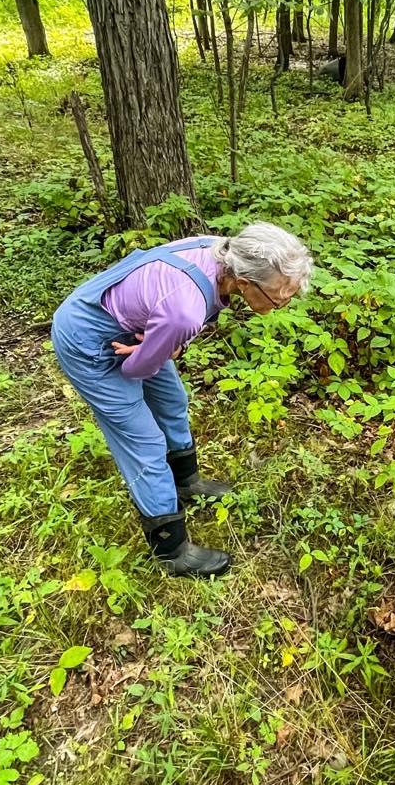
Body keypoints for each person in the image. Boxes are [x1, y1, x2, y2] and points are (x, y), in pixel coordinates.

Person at [52, 223, 312, 577]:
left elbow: (169, 332)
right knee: (143, 440)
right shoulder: (183, 309)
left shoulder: (221, 251)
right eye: (279, 297)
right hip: (88, 342)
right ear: (246, 283)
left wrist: (165, 344)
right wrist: (154, 348)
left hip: (135, 329)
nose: (283, 303)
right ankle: (171, 549)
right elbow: (135, 369)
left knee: (172, 401)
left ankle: (187, 482)